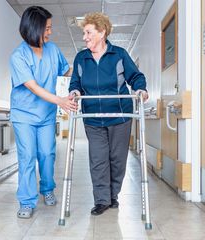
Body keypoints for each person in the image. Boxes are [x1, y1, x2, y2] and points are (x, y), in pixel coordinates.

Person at [69, 12, 148, 216]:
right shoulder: (81, 58)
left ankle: (114, 195)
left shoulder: (119, 54)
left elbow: (136, 76)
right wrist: (75, 91)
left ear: (102, 32)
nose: (84, 37)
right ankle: (102, 200)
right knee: (98, 159)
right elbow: (75, 82)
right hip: (92, 117)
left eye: (88, 32)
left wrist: (140, 89)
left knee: (117, 159)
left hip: (119, 116)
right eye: (84, 33)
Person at [9, 6, 77, 219]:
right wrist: (61, 100)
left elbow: (66, 71)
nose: (50, 32)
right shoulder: (18, 56)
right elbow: (33, 86)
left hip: (46, 114)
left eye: (50, 28)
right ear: (33, 28)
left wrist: (84, 68)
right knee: (27, 155)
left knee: (47, 154)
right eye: (46, 28)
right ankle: (27, 201)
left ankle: (47, 189)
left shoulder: (53, 49)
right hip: (24, 115)